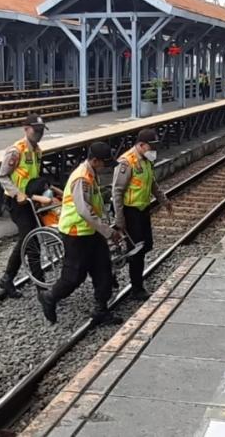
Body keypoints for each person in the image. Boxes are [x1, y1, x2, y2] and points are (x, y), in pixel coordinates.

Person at [37, 142, 123, 325]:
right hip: (76, 233)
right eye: (104, 163)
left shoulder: (92, 174)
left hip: (91, 232)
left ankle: (101, 309)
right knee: (74, 276)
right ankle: (50, 296)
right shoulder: (81, 178)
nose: (106, 167)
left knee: (103, 270)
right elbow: (84, 210)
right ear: (94, 160)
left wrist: (104, 229)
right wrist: (108, 231)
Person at [0, 114, 60, 297]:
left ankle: (7, 278)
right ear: (26, 129)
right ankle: (41, 289)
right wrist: (18, 193)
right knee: (31, 242)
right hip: (17, 202)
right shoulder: (16, 151)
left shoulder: (38, 151)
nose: (39, 134)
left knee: (27, 240)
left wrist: (50, 189)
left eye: (41, 131)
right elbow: (2, 176)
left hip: (32, 201)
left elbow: (35, 178)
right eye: (36, 130)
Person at [112, 129, 172, 300]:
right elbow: (117, 192)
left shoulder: (147, 160)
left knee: (147, 245)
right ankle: (136, 288)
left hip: (143, 209)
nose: (153, 150)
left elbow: (151, 182)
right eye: (150, 146)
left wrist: (163, 200)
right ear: (140, 145)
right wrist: (119, 218)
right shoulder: (126, 162)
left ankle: (125, 271)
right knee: (136, 250)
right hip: (130, 212)